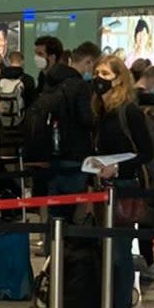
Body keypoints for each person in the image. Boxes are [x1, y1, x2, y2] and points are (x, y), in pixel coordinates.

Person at [93, 55, 153, 308]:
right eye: (97, 72)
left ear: (118, 78)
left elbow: (146, 153)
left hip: (124, 186)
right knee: (106, 251)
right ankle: (108, 306)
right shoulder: (100, 109)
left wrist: (117, 168)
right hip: (101, 188)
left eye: (104, 73)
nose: (98, 79)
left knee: (119, 254)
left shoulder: (129, 111)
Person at [43, 42, 100, 223]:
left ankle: (52, 248)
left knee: (55, 211)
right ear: (88, 62)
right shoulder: (79, 86)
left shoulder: (51, 81)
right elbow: (86, 120)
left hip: (52, 151)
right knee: (73, 212)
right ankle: (69, 249)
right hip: (75, 154)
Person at [0, 50, 37, 123]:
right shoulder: (28, 79)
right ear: (22, 62)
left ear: (8, 61)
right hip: (21, 121)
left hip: (2, 122)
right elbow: (32, 102)